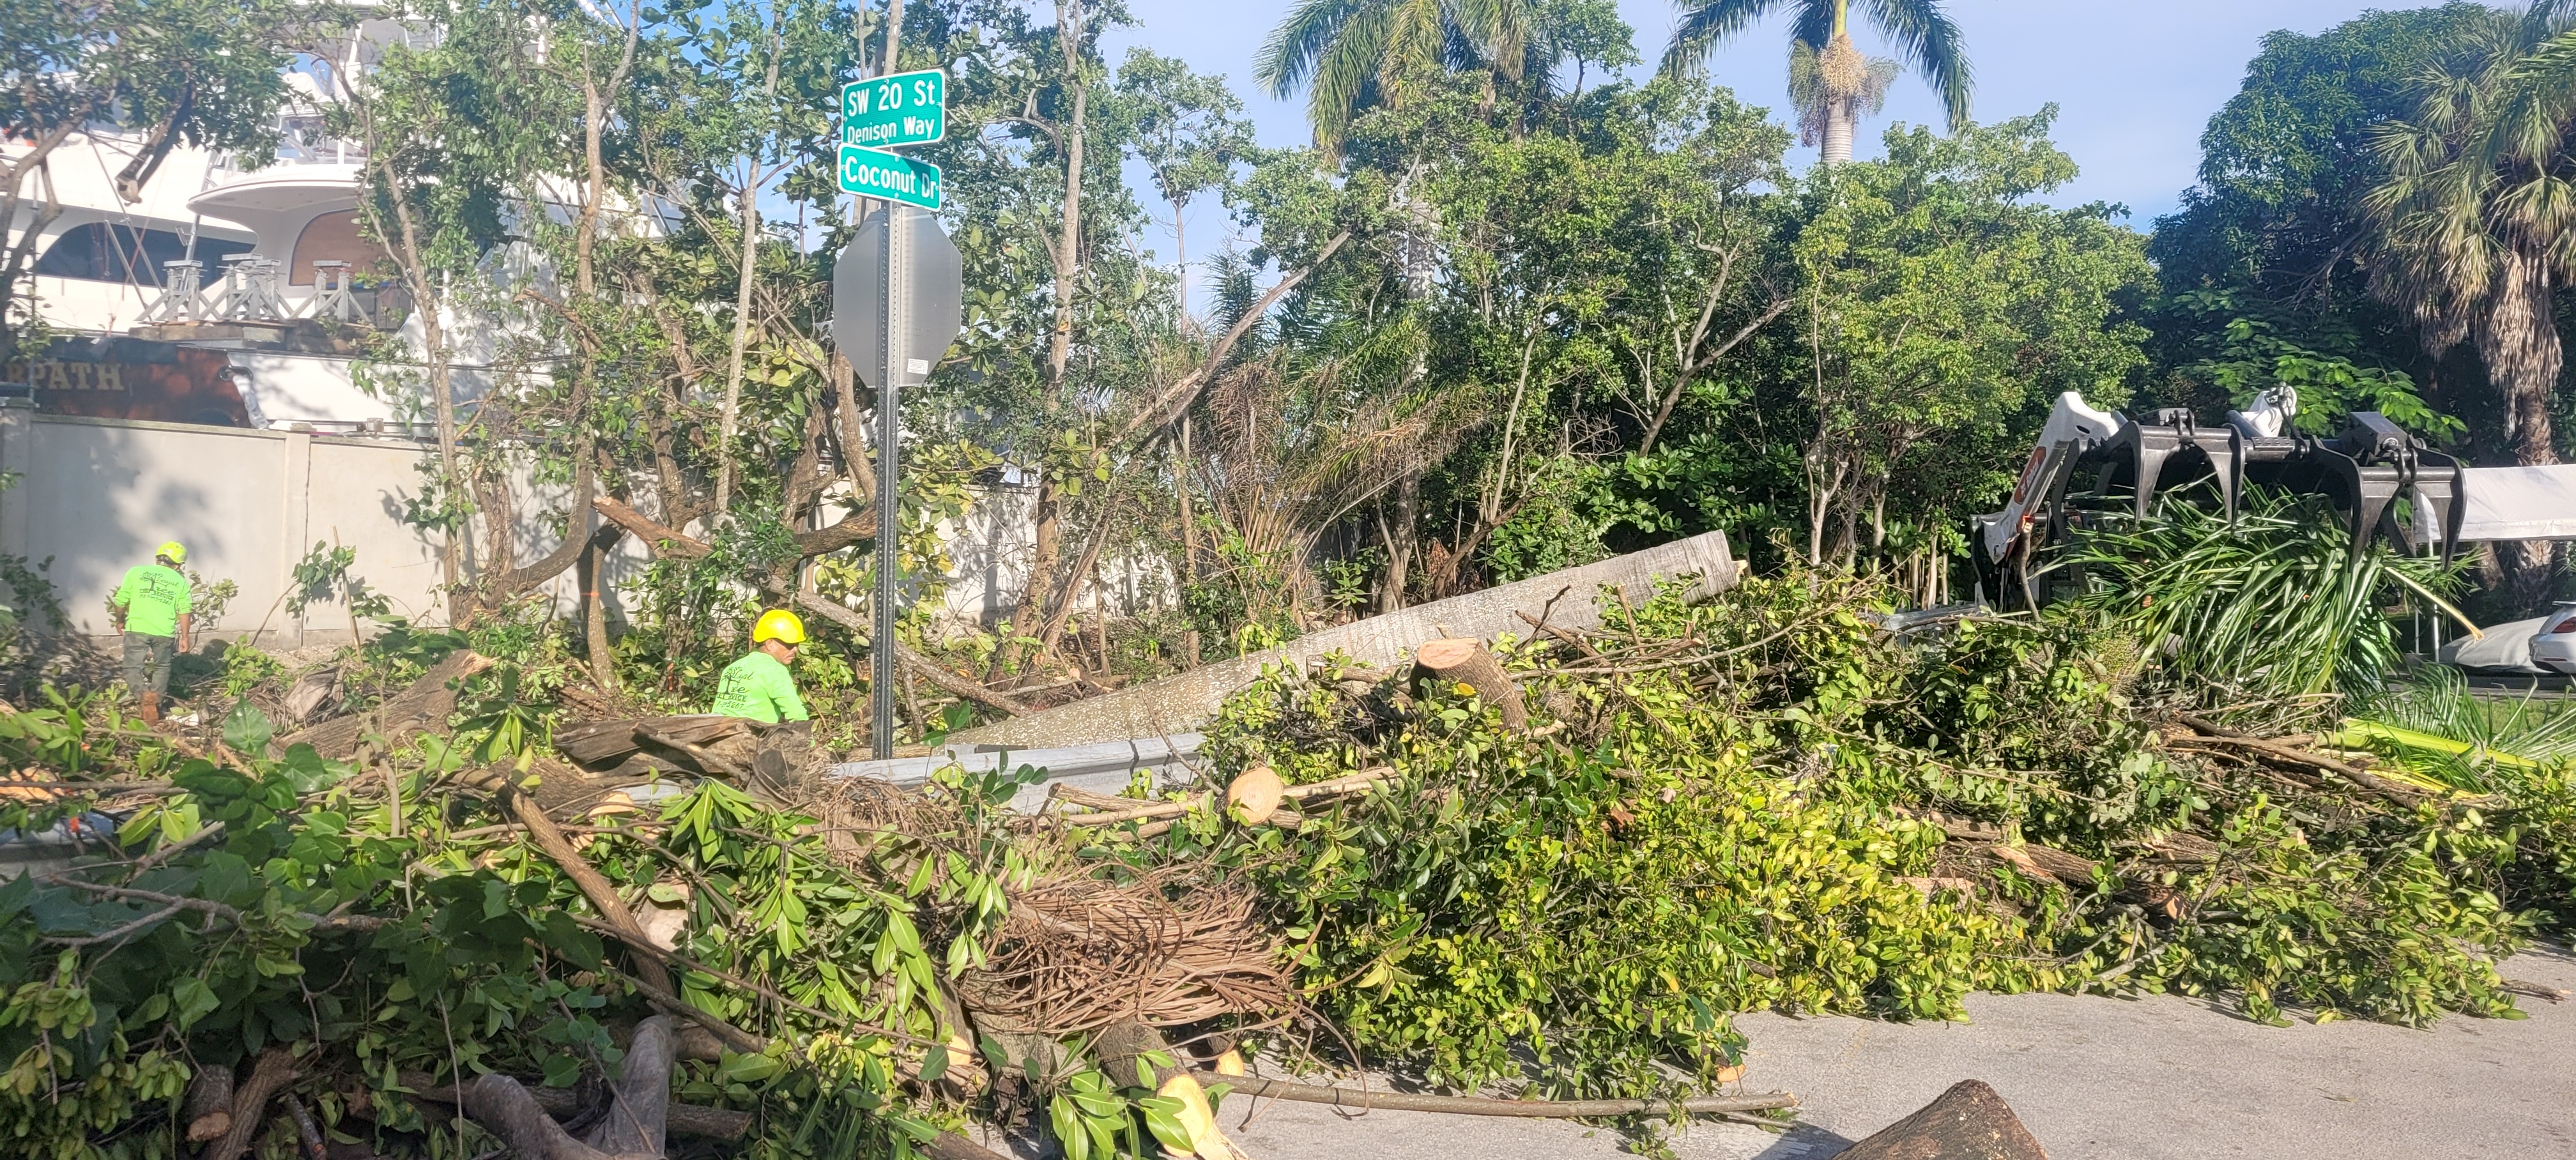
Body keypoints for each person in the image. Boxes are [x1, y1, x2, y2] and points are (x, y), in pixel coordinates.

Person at [111, 540, 193, 723]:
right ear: (178, 565)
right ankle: (155, 703)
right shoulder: (180, 581)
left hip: (137, 629)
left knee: (132, 667)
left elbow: (120, 601)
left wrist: (119, 620)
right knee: (162, 667)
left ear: (158, 558)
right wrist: (185, 638)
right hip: (164, 632)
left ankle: (143, 696)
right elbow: (184, 611)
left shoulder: (136, 572)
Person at [708, 609, 811, 724]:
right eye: (790, 645)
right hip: (753, 739)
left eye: (796, 645)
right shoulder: (775, 671)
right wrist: (810, 741)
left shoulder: (732, 668)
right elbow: (796, 714)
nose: (795, 650)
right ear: (770, 644)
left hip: (718, 736)